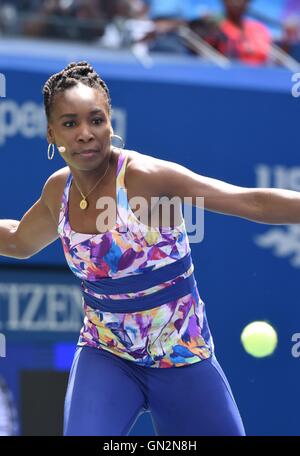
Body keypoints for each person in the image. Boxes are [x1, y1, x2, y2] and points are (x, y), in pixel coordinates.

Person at [1, 61, 300, 436]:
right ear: (50, 133)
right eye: (69, 123)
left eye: (96, 120)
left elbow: (251, 202)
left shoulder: (146, 179)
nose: (85, 134)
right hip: (106, 356)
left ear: (111, 122)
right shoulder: (57, 192)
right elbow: (17, 240)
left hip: (183, 357)